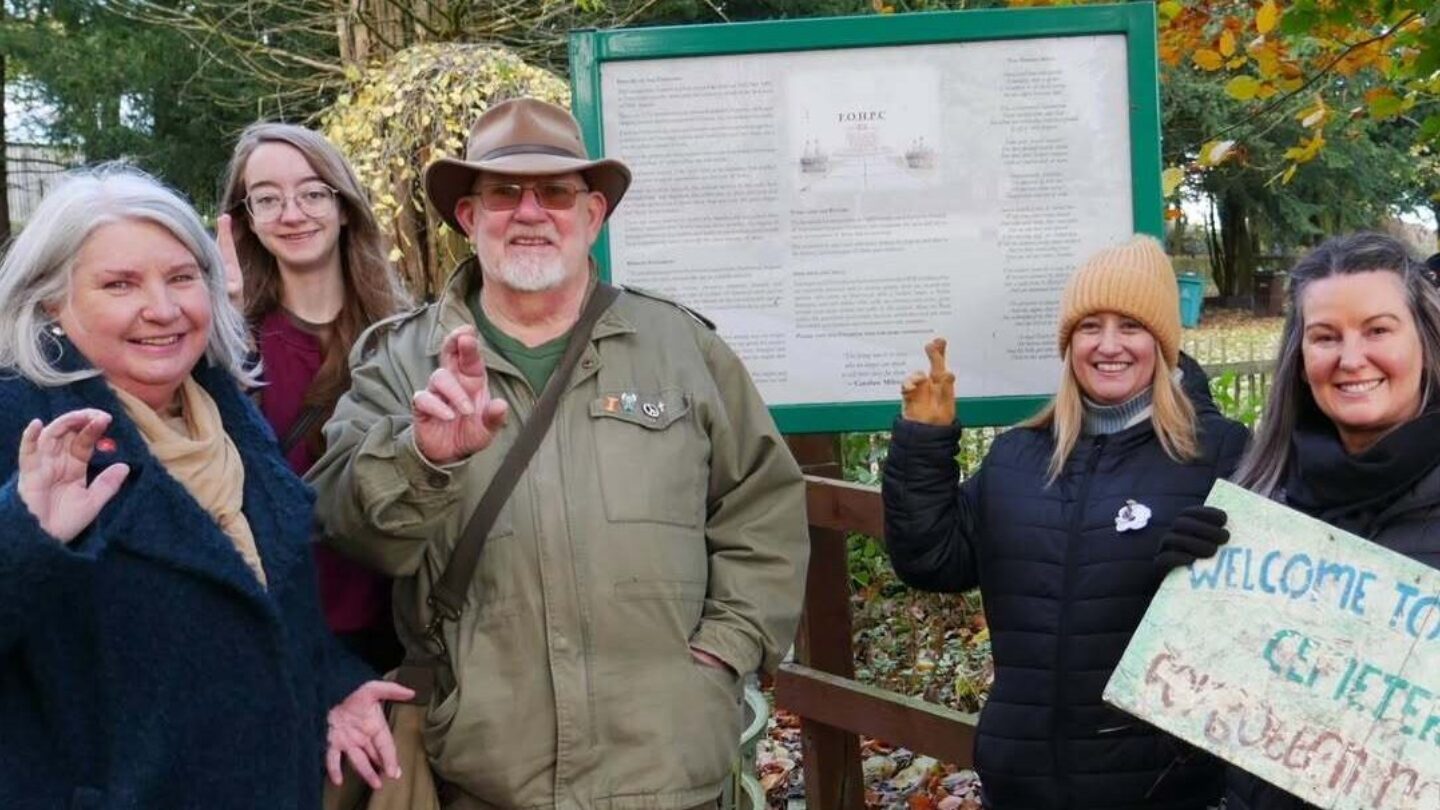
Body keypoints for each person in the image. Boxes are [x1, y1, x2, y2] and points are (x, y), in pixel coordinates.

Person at [305, 98, 809, 809]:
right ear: (469, 217)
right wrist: (423, 457)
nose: (531, 212)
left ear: (593, 215)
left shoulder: (682, 348)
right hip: (482, 771)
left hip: (668, 766)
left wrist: (726, 649)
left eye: (556, 193)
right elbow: (348, 529)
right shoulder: (400, 361)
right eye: (504, 193)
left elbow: (763, 506)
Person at [0, 166, 411, 809]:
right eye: (120, 284)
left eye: (182, 277)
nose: (163, 309)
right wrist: (21, 533)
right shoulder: (20, 428)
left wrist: (333, 682)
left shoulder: (223, 408)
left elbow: (254, 604)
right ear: (53, 300)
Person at [883, 235, 1250, 809]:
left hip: (1160, 787)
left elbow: (1263, 619)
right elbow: (934, 562)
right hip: (1022, 779)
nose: (1108, 346)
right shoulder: (1018, 456)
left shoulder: (1219, 454)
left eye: (1130, 326)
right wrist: (924, 442)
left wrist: (1217, 570)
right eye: (1089, 327)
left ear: (1162, 342)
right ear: (1068, 343)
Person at [1156, 232, 1440, 810]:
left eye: (1379, 330)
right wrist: (1187, 612)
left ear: (1426, 343)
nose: (1351, 358)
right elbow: (1211, 725)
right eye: (1325, 337)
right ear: (1301, 355)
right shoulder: (1263, 502)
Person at [218, 122, 411, 671]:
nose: (292, 212)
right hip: (274, 635)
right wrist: (219, 339)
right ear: (248, 220)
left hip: (395, 635)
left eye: (311, 192)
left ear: (345, 205)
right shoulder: (230, 344)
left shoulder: (406, 338)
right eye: (268, 199)